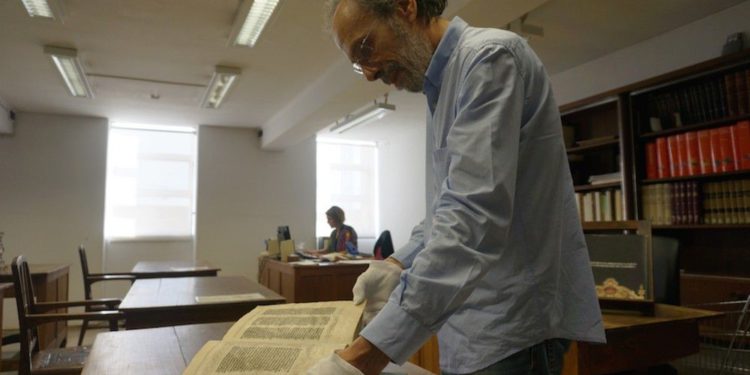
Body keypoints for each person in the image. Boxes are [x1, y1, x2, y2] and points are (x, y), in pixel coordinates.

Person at [309, 0, 606, 374]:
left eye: (365, 48)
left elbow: (472, 217)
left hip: (512, 330)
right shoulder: (442, 87)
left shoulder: (489, 59)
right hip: (471, 330)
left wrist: (364, 356)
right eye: (357, 63)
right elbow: (446, 209)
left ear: (405, 7)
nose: (368, 73)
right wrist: (399, 263)